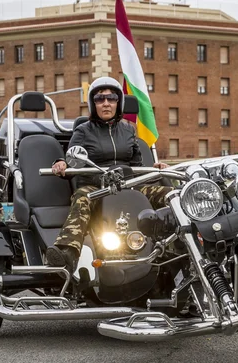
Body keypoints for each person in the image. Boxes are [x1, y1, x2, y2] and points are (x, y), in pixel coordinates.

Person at [45, 76, 170, 274]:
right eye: (99, 99)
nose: (106, 103)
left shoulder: (129, 130)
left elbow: (137, 165)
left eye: (111, 98)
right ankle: (66, 253)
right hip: (96, 187)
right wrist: (60, 164)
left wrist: (155, 168)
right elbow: (71, 161)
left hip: (129, 185)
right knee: (82, 198)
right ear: (93, 104)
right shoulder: (83, 130)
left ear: (118, 103)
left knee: (172, 195)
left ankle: (180, 245)